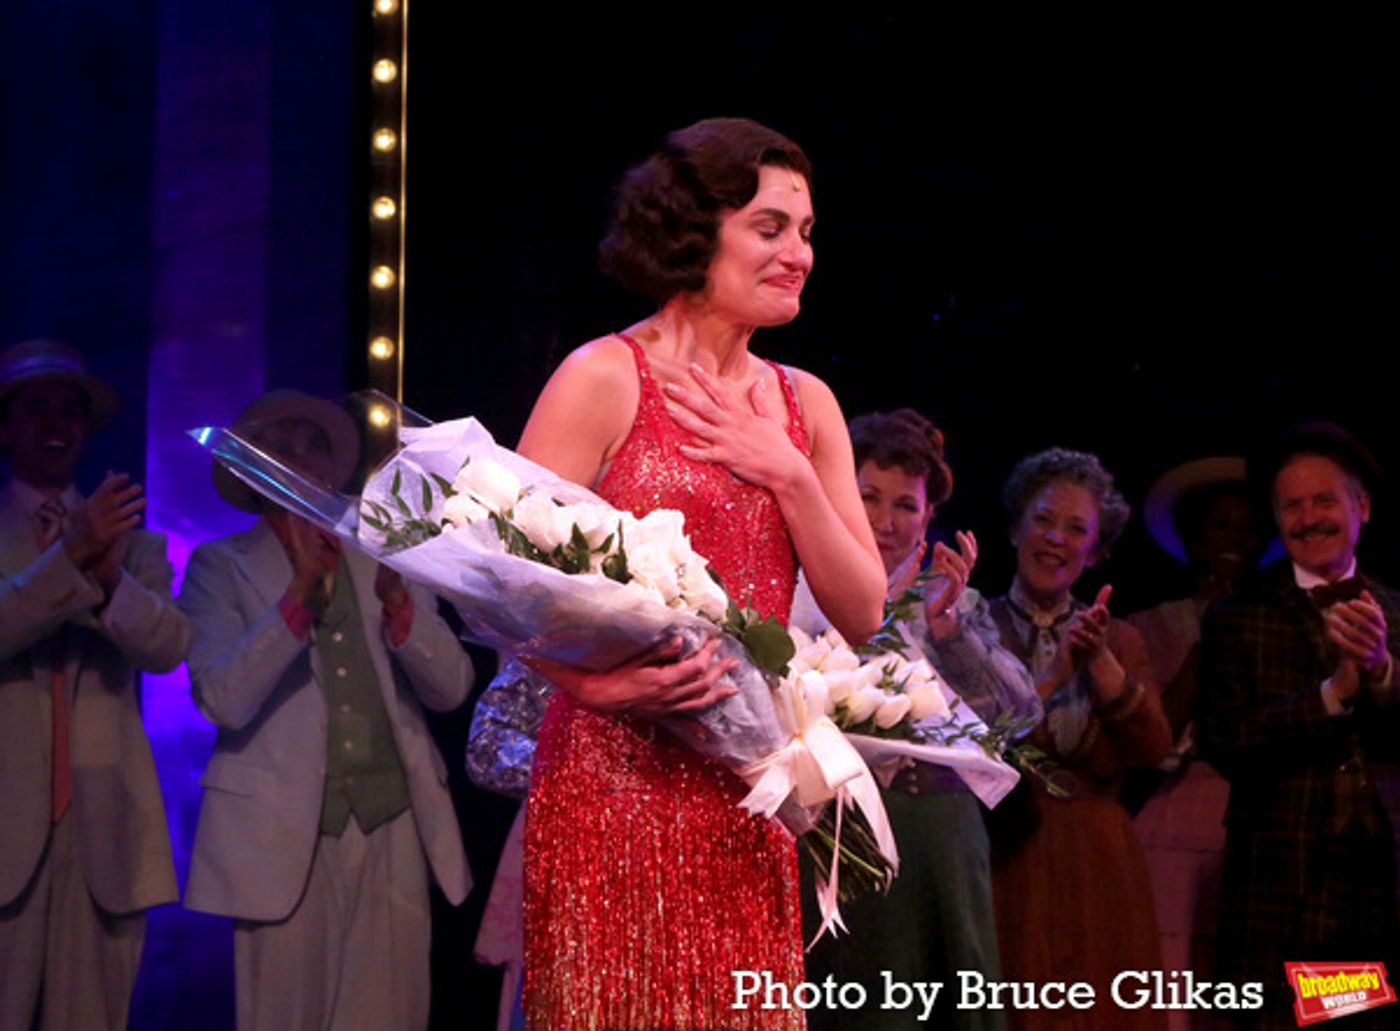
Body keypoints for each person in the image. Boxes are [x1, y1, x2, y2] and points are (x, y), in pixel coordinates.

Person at [515, 118, 886, 1030]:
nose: (797, 253)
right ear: (691, 228)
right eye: (769, 227)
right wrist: (594, 682)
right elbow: (500, 593)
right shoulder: (603, 375)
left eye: (805, 232)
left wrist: (788, 469)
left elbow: (865, 607)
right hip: (609, 783)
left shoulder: (807, 403)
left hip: (747, 791)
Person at [180, 390, 473, 1030]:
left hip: (391, 822)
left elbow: (452, 689)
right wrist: (298, 596)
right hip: (278, 834)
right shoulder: (218, 566)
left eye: (316, 447)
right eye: (285, 447)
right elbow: (223, 699)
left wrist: (403, 620)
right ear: (253, 468)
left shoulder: (384, 552)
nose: (304, 460)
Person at [792, 409, 1040, 1031]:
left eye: (905, 506)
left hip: (937, 831)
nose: (884, 521)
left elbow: (1019, 716)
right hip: (839, 827)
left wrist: (949, 633)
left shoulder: (949, 601)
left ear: (929, 518)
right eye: (867, 497)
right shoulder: (802, 589)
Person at [0, 339, 187, 1030]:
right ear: (5, 426)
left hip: (102, 829)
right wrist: (68, 555)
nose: (56, 423)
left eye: (71, 411)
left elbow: (170, 645)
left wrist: (105, 573)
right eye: (36, 407)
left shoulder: (134, 546)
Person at [1197, 424, 1400, 1029]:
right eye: (1293, 505)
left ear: (1360, 506)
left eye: (1324, 500)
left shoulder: (1397, 611)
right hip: (1279, 884)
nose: (1308, 518)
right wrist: (1333, 694)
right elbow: (1225, 740)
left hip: (1372, 885)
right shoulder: (1238, 615)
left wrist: (1382, 670)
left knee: (1351, 1016)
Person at [986, 447, 1171, 1031]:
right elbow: (981, 744)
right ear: (1017, 529)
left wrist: (1104, 668)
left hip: (1100, 862)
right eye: (1043, 520)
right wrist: (1057, 673)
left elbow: (1153, 751)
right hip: (1007, 852)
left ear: (1095, 551)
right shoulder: (975, 626)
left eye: (1075, 529)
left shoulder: (1120, 636)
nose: (1055, 539)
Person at [1127, 457, 1267, 1025]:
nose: (1234, 540)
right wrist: (1211, 638)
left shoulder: (1274, 621)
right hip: (1174, 818)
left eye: (1246, 527)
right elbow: (1154, 736)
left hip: (1255, 816)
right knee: (1172, 979)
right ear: (1192, 536)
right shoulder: (1148, 626)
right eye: (1220, 526)